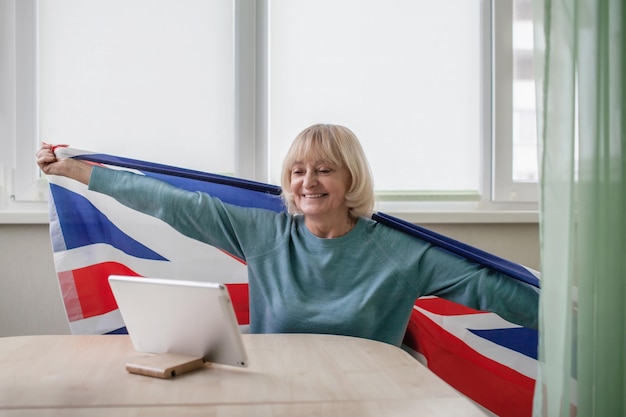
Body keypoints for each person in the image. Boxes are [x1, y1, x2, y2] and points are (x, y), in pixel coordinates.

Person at [37, 123, 539, 346]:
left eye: (324, 170)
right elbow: (171, 203)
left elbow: (490, 288)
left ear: (351, 180)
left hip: (375, 396)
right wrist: (76, 171)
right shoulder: (264, 233)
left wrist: (568, 317)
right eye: (297, 171)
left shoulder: (400, 251)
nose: (308, 182)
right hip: (282, 391)